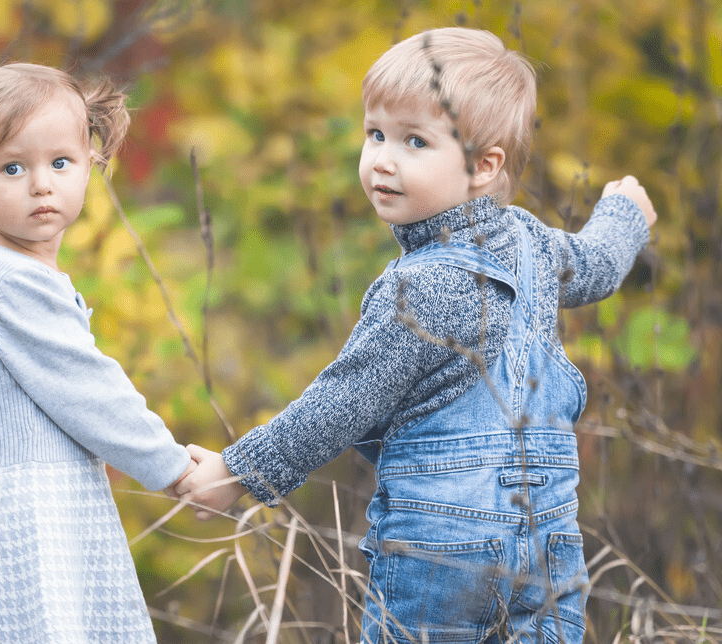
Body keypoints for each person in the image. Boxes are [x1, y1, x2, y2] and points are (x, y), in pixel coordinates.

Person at [173, 27, 657, 644]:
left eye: (414, 141)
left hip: (441, 546)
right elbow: (595, 265)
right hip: (548, 540)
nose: (382, 159)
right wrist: (624, 215)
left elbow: (340, 405)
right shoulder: (532, 241)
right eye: (375, 133)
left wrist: (237, 475)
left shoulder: (422, 287)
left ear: (484, 167)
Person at [0, 62, 193, 644]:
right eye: (12, 168)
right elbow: (88, 388)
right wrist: (169, 466)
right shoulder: (9, 285)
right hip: (23, 520)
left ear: (89, 167)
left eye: (59, 163)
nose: (41, 184)